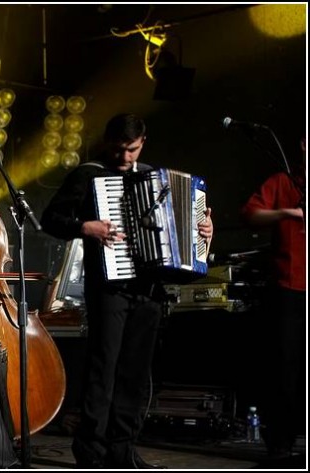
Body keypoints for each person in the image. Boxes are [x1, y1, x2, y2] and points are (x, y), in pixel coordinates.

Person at [40, 113, 214, 469]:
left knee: (135, 371)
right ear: (108, 143)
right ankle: (91, 450)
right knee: (103, 369)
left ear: (143, 142)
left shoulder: (155, 178)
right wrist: (84, 227)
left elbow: (185, 235)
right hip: (108, 287)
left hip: (149, 288)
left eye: (132, 150)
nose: (125, 158)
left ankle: (122, 449)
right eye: (119, 150)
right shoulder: (89, 175)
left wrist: (204, 233)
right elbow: (50, 220)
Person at [241, 136, 306, 463]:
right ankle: (280, 443)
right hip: (289, 289)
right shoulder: (283, 181)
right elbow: (251, 214)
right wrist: (287, 212)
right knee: (285, 370)